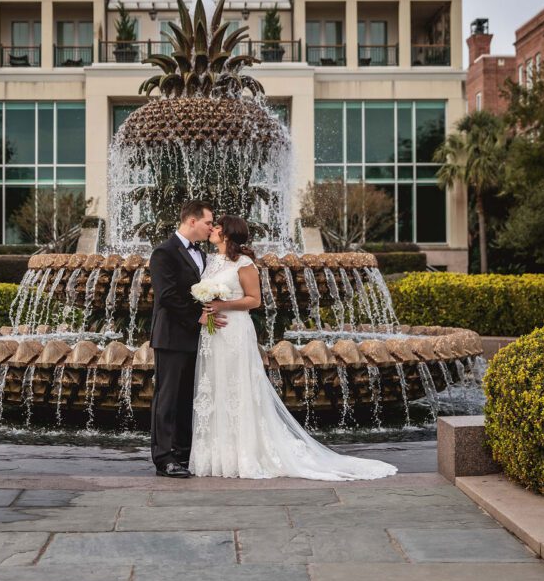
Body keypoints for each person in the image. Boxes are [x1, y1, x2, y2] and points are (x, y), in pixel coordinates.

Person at [189, 216, 397, 480]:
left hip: (234, 331)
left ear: (228, 234)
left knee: (237, 387)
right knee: (215, 386)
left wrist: (222, 305)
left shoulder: (244, 263)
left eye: (217, 227)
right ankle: (217, 455)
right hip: (212, 333)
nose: (213, 230)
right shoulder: (211, 261)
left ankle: (244, 453)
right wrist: (207, 307)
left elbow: (254, 301)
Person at [148, 200, 226, 478]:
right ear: (192, 221)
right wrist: (198, 316)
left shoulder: (203, 256)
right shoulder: (163, 252)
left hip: (198, 338)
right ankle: (164, 458)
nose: (211, 227)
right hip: (171, 336)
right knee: (167, 398)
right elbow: (166, 295)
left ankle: (183, 453)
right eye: (208, 222)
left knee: (188, 399)